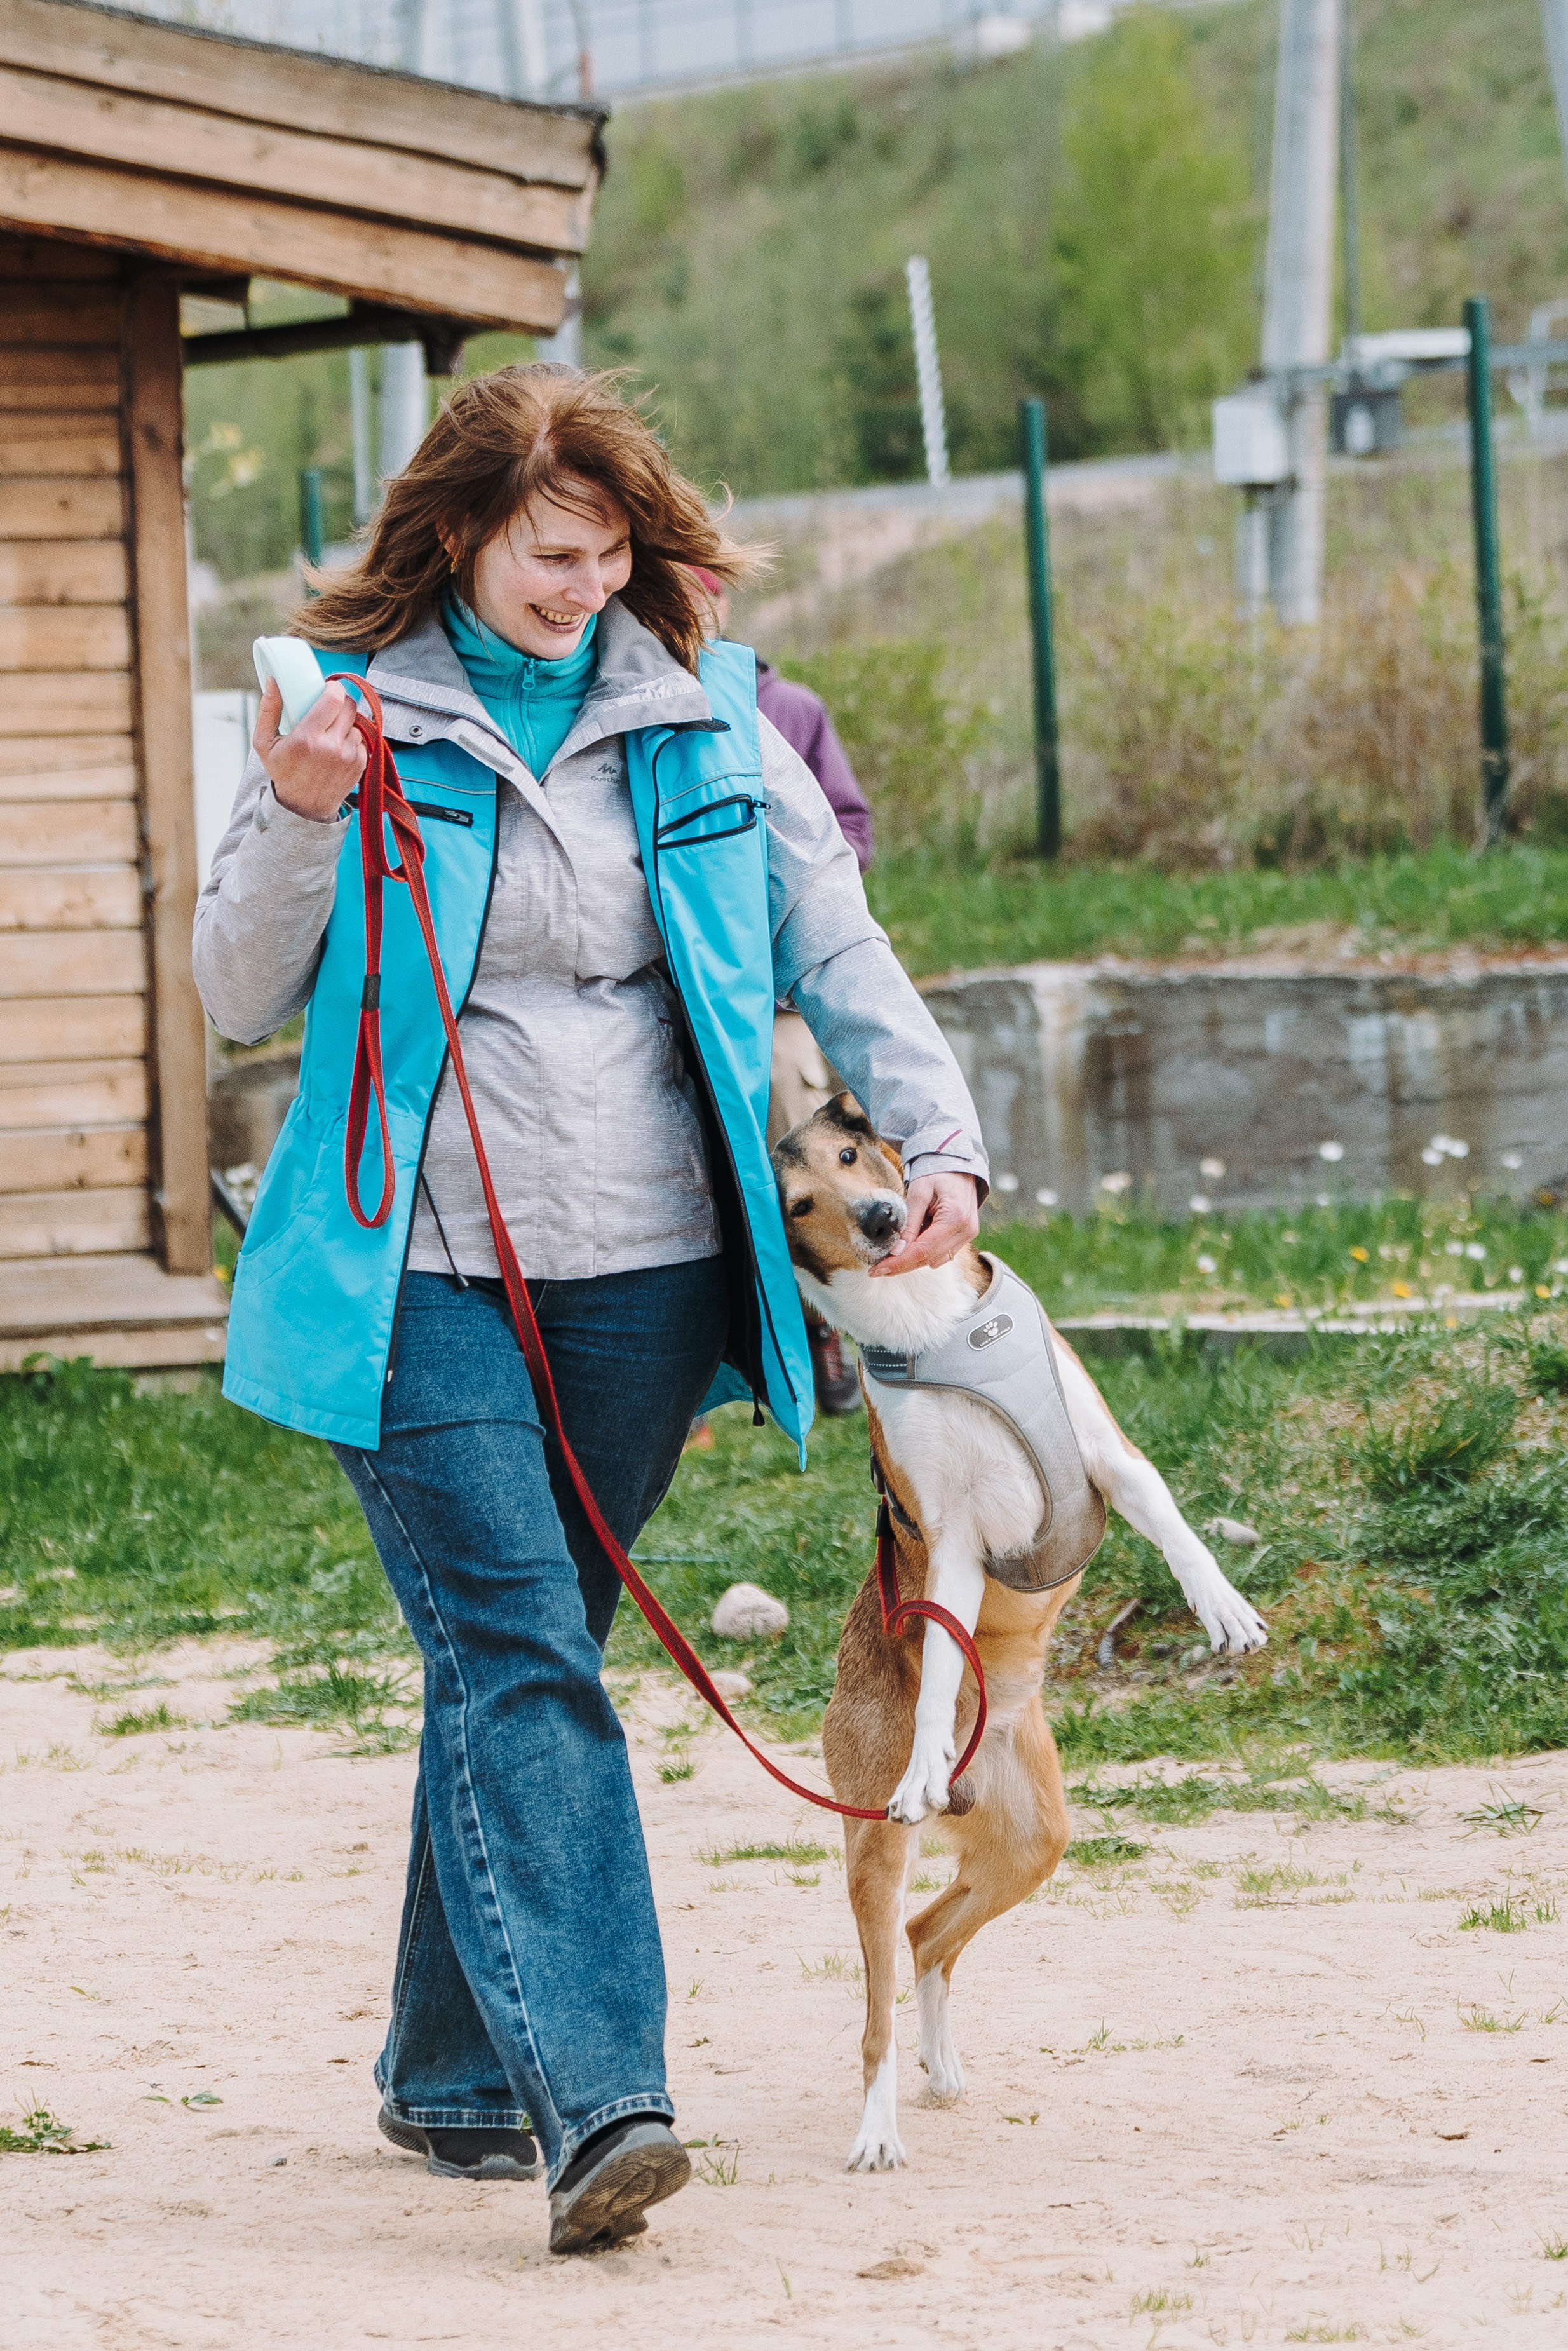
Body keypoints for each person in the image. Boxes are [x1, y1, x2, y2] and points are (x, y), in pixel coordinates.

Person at [192, 365, 987, 2257]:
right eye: (551, 550)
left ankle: (447, 2068)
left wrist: (940, 1131)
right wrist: (302, 812)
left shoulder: (707, 720)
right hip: (423, 1270)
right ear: (457, 537)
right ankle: (600, 2101)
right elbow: (237, 983)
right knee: (521, 1650)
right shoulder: (349, 710)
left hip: (641, 1273)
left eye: (610, 547)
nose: (583, 581)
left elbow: (835, 941)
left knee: (515, 1651)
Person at [687, 567, 874, 1416]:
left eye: (702, 596)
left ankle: (825, 1310)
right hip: (679, 993)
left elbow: (850, 828)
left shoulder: (787, 710)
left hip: (768, 995)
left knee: (791, 1100)